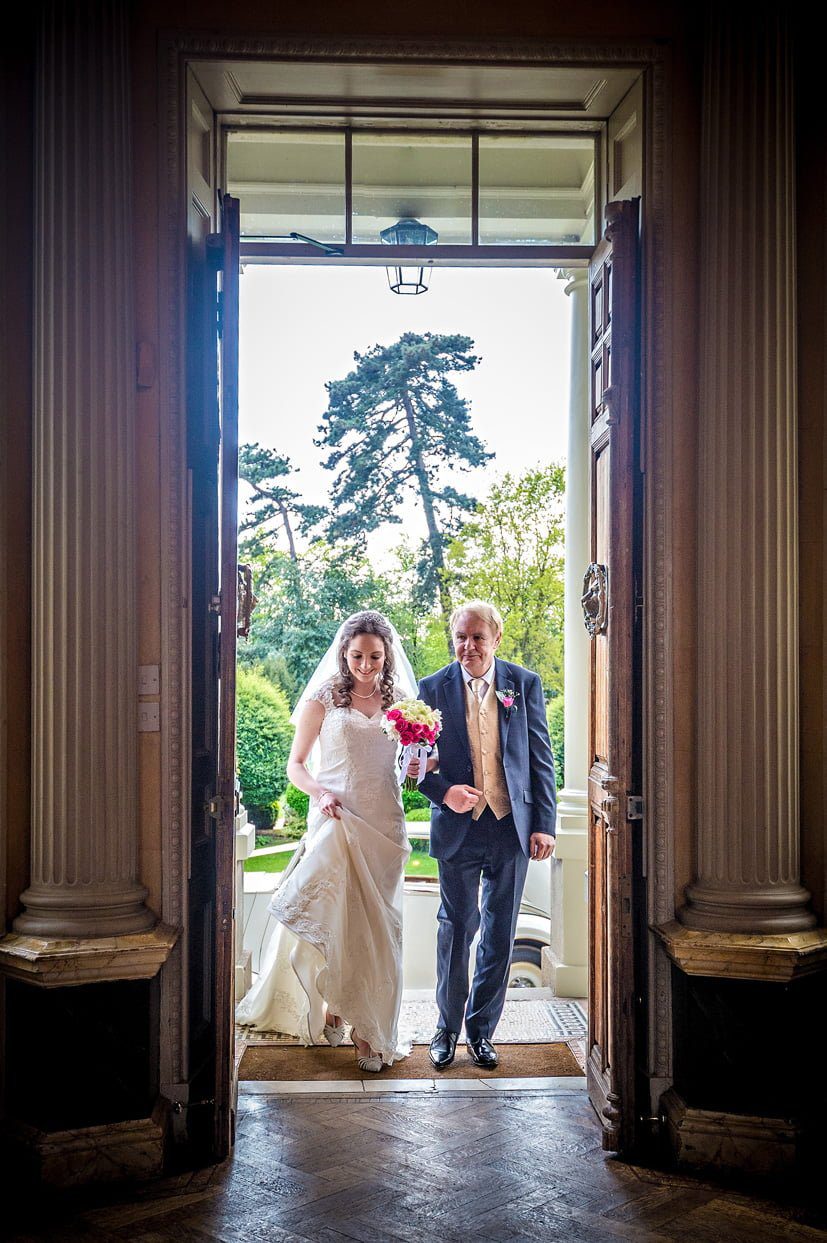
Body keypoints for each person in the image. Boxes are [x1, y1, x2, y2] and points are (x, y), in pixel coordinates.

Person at [235, 610, 417, 1072]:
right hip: (336, 820)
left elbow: (417, 763)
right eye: (357, 655)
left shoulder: (403, 702)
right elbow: (296, 765)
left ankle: (369, 1024)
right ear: (344, 652)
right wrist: (319, 792)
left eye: (375, 656)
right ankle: (346, 1018)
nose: (365, 665)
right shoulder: (322, 699)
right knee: (338, 922)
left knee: (380, 931)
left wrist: (421, 765)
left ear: (387, 654)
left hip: (384, 827)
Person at [417, 601, 557, 1070]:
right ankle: (445, 1029)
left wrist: (543, 823)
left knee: (500, 933)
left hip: (509, 826)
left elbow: (540, 757)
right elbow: (413, 767)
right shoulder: (430, 688)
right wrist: (443, 791)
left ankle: (481, 1033)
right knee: (456, 929)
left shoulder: (524, 683)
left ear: (496, 638)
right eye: (460, 636)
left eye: (477, 637)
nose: (468, 645)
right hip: (459, 828)